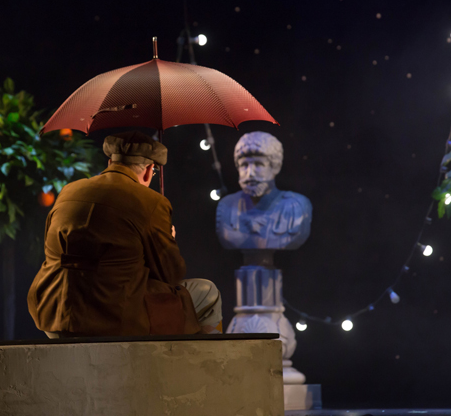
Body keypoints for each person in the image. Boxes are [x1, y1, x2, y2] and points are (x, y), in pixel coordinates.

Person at [27, 131, 222, 337]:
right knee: (208, 292)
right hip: (115, 318)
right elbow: (170, 274)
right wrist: (169, 240)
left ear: (110, 162)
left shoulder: (69, 191)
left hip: (53, 312)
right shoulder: (151, 201)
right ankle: (206, 358)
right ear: (149, 170)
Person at [216, 131, 312, 251]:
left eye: (259, 164)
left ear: (275, 167)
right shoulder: (227, 206)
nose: (250, 173)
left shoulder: (296, 206)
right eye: (244, 165)